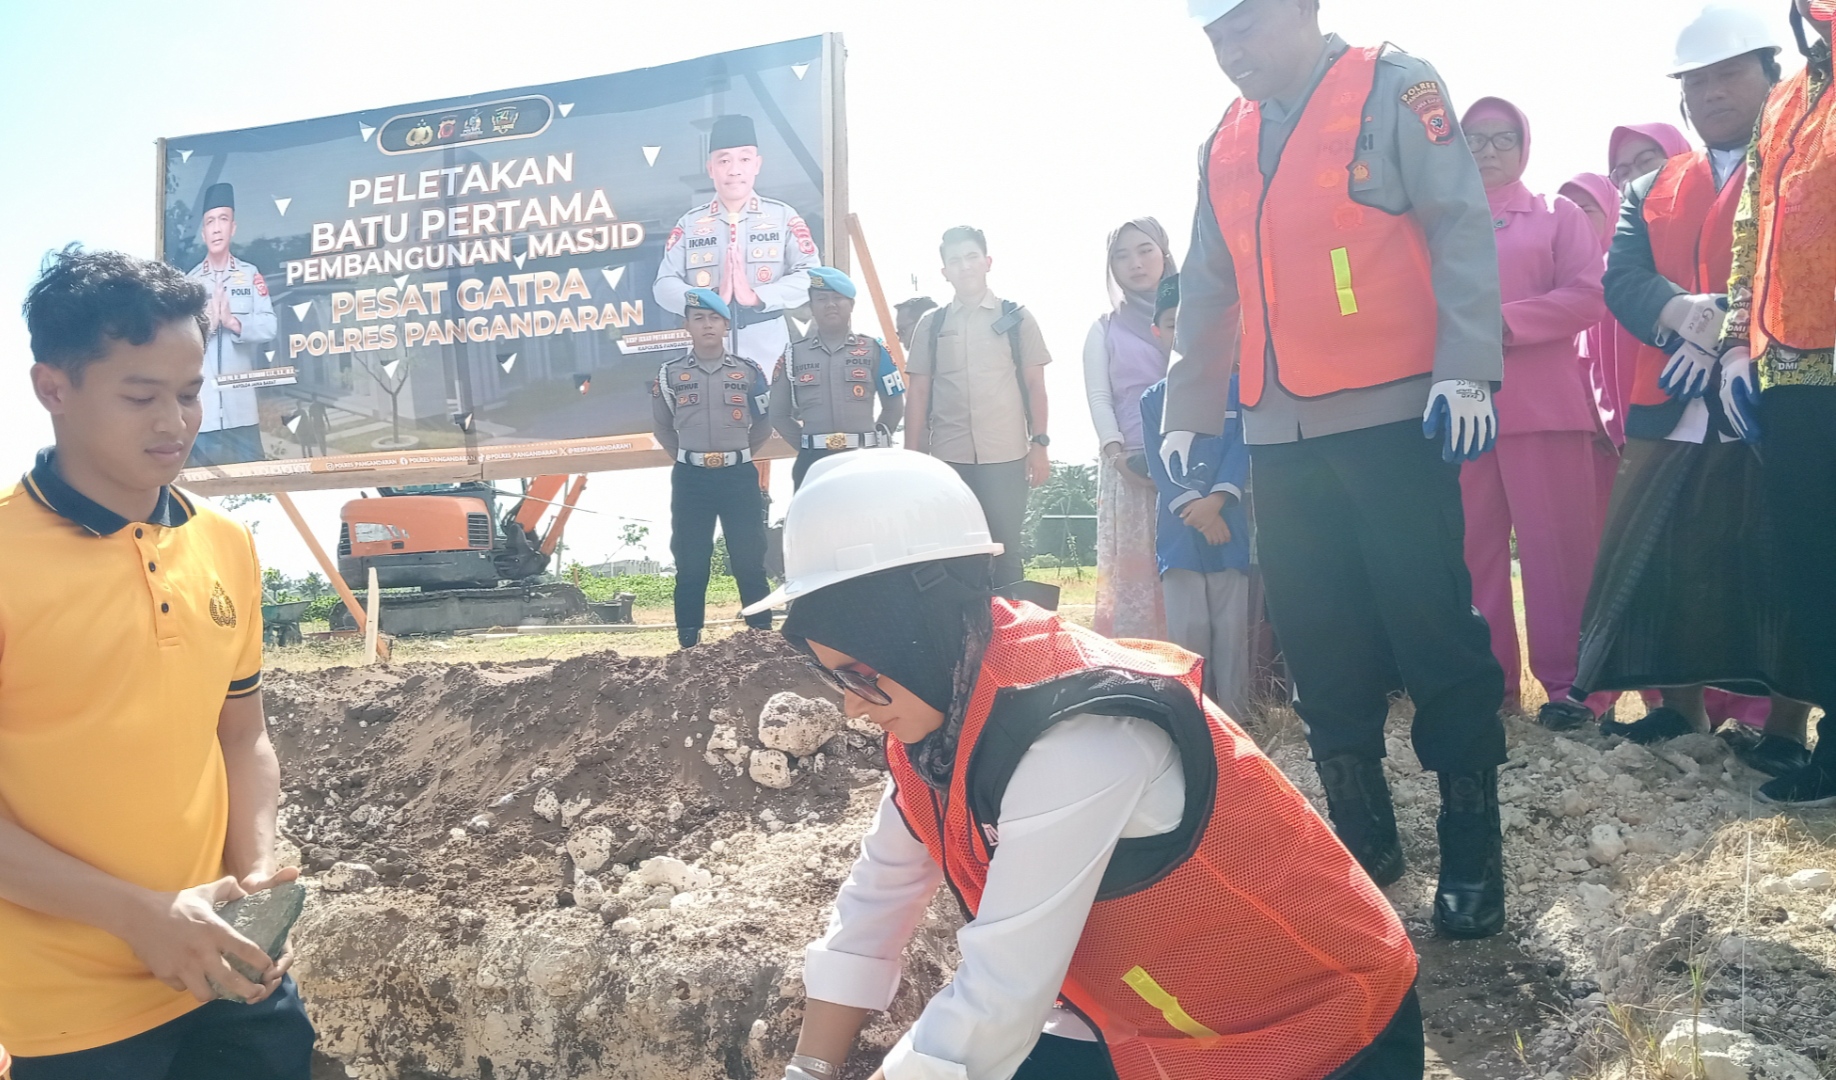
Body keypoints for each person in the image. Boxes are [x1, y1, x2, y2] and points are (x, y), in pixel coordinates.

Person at [746, 449, 1424, 1080]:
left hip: (1321, 1034)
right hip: (1155, 1027)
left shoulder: (1080, 732)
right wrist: (808, 1072)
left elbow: (1000, 996)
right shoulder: (935, 727)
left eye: (861, 674)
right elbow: (872, 910)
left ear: (908, 629)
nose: (853, 708)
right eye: (835, 679)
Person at [1167, 0, 1510, 939]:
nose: (1231, 49)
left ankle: (1471, 840)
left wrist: (1468, 364)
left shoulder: (1394, 85)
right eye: (1215, 35)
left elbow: (1458, 224)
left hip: (1393, 413)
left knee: (1431, 624)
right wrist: (1189, 408)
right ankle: (1363, 835)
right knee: (1317, 638)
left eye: (1245, 24)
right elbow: (1209, 285)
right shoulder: (1225, 139)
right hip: (1278, 428)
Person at [2, 248, 312, 1077]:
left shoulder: (226, 543)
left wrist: (256, 876)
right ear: (53, 388)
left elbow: (242, 734)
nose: (175, 423)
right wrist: (141, 917)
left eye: (189, 392)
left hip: (232, 975)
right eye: (140, 397)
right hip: (73, 1018)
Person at [1569, 4, 1811, 771]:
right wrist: (1685, 315)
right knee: (1665, 556)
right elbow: (1623, 278)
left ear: (1772, 77)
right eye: (1696, 82)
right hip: (1670, 401)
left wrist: (1733, 327)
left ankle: (1785, 726)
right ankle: (1679, 710)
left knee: (1775, 558)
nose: (1711, 93)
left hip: (1768, 396)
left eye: (1729, 75)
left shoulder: (1802, 168)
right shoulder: (1654, 186)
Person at [1457, 97, 1613, 730]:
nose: (1488, 151)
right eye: (1474, 139)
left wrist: (1503, 323)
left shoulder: (1557, 215)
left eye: (1502, 138)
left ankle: (1575, 690)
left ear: (1524, 145)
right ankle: (1488, 685)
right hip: (1461, 411)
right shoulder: (1439, 221)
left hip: (1543, 407)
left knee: (1558, 554)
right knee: (1472, 553)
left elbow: (1589, 295)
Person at [1721, 0, 1836, 806]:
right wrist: (1736, 340)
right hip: (1790, 366)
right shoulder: (1786, 100)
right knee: (1813, 565)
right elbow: (1750, 225)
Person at [903, 227, 1052, 593]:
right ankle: (966, 627)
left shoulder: (1017, 318)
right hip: (949, 458)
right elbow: (918, 392)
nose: (965, 266)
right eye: (955, 260)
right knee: (956, 553)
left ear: (987, 262)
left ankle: (1012, 628)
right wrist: (912, 457)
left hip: (1007, 455)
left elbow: (1036, 385)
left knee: (1006, 551)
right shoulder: (932, 324)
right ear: (944, 272)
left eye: (971, 257)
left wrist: (1040, 445)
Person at [1141, 281, 1253, 716]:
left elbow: (1242, 449)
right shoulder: (1154, 400)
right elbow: (1159, 463)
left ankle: (1239, 721)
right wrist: (1200, 511)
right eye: (1173, 324)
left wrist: (1218, 502)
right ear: (1158, 333)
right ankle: (1193, 719)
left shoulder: (1240, 389)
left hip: (1231, 527)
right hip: (1179, 534)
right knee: (1188, 634)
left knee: (1232, 632)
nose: (1184, 331)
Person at [651, 288, 775, 649]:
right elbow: (662, 427)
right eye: (699, 318)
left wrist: (737, 455)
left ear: (726, 325)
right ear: (687, 326)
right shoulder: (669, 374)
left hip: (739, 477)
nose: (707, 325)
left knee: (749, 559)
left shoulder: (748, 372)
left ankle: (762, 637)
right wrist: (690, 458)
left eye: (715, 319)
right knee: (691, 563)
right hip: (691, 479)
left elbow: (764, 423)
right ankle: (689, 642)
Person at [654, 114, 819, 376]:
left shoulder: (782, 217)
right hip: (706, 356)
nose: (734, 170)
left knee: (770, 402)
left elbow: (810, 275)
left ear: (757, 164)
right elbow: (663, 285)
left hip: (768, 351)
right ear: (711, 168)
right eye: (724, 161)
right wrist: (707, 301)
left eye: (744, 159)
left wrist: (756, 297)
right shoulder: (690, 223)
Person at [1083, 219, 1178, 639]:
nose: (1135, 263)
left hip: (1197, 463)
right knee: (1140, 577)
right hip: (1133, 467)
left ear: (1164, 253)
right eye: (1121, 256)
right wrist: (1117, 456)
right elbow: (1100, 397)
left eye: (1144, 250)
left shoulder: (1198, 314)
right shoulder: (1105, 327)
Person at [769, 267, 906, 489]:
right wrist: (807, 446)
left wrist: (876, 443)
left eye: (838, 298)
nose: (830, 304)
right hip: (813, 462)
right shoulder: (792, 356)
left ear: (851, 305)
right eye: (821, 299)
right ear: (811, 307)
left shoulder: (874, 350)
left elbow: (894, 406)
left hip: (863, 458)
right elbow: (777, 414)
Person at [1558, 171, 1632, 531]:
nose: (1575, 217)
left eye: (1586, 209)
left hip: (1619, 432)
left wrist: (1603, 416)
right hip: (1574, 434)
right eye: (1567, 210)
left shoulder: (1623, 271)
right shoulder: (1556, 277)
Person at [185, 183, 277, 469]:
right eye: (209, 222)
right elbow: (178, 345)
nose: (216, 229)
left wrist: (233, 322)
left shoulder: (249, 274)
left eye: (222, 219)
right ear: (203, 233)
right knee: (202, 488)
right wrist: (208, 325)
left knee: (258, 482)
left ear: (233, 228)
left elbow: (269, 326)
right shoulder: (190, 283)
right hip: (205, 415)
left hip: (242, 412)